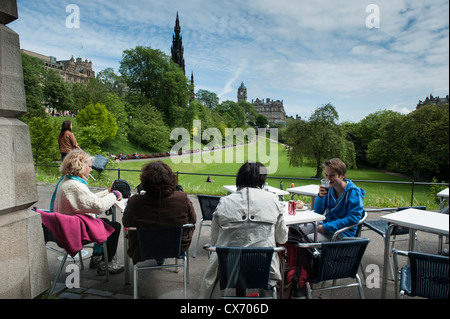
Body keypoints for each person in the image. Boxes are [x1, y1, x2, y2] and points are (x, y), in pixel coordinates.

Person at [199, 162, 288, 298]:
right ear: (262, 179)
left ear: (239, 178)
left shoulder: (225, 202)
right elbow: (282, 238)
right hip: (264, 269)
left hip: (229, 269)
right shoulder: (273, 200)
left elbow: (214, 241)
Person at [288, 158, 365, 297]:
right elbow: (317, 212)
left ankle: (303, 279)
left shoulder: (353, 193)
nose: (328, 179)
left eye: (332, 176)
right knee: (294, 231)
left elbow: (353, 218)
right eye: (326, 175)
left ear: (343, 175)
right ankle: (297, 271)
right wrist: (320, 196)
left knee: (307, 240)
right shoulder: (329, 190)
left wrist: (327, 227)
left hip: (342, 234)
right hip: (326, 226)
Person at [50, 149, 124, 275]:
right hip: (73, 233)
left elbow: (87, 200)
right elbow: (99, 206)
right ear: (80, 165)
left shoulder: (66, 181)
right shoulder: (75, 185)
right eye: (89, 166)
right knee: (114, 227)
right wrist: (115, 195)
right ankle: (106, 264)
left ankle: (96, 258)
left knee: (104, 222)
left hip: (66, 228)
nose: (91, 169)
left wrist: (107, 193)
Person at [122, 161, 197, 265]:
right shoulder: (182, 198)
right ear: (170, 179)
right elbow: (193, 220)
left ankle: (159, 254)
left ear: (144, 181)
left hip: (143, 248)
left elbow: (126, 223)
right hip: (177, 246)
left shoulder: (135, 201)